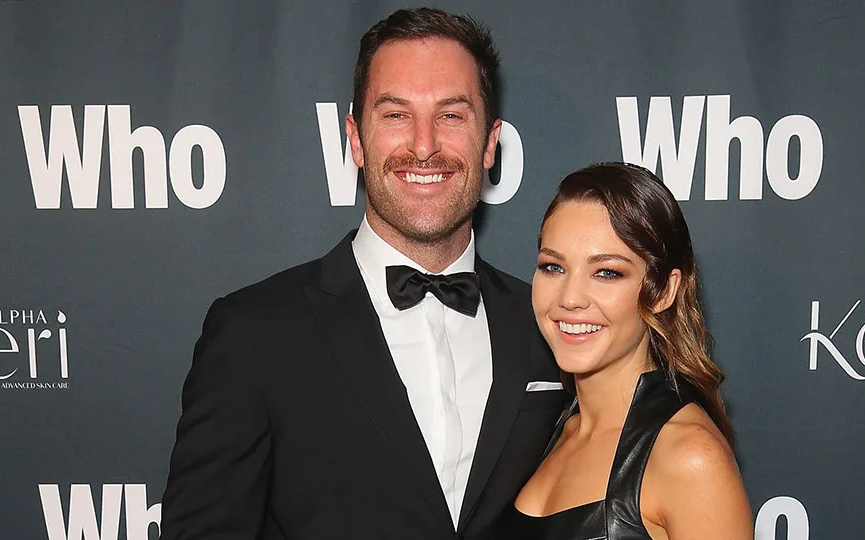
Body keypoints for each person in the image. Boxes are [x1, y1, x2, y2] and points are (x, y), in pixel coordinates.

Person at [159, 8, 566, 540]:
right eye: (396, 115)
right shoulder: (254, 334)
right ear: (355, 138)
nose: (424, 146)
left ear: (490, 142)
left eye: (451, 114)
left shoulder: (550, 326)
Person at [501, 162, 753, 539]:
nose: (569, 299)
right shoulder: (548, 428)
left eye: (606, 272)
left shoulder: (689, 457)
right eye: (553, 267)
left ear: (664, 291)